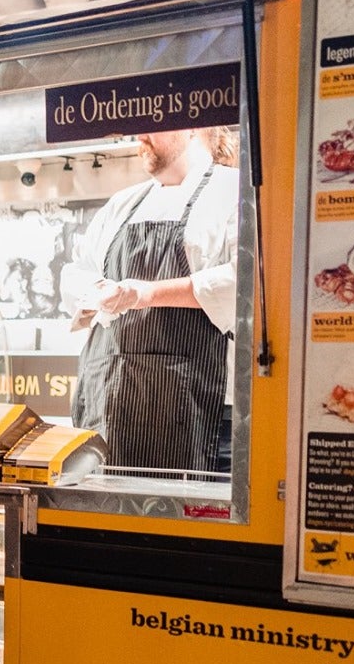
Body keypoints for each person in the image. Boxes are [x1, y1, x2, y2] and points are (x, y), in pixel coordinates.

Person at [65, 126, 240, 473]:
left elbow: (245, 283)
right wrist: (98, 290)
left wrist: (146, 294)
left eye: (153, 126)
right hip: (111, 409)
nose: (139, 136)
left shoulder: (235, 193)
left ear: (192, 126)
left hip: (197, 414)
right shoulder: (123, 203)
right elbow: (73, 271)